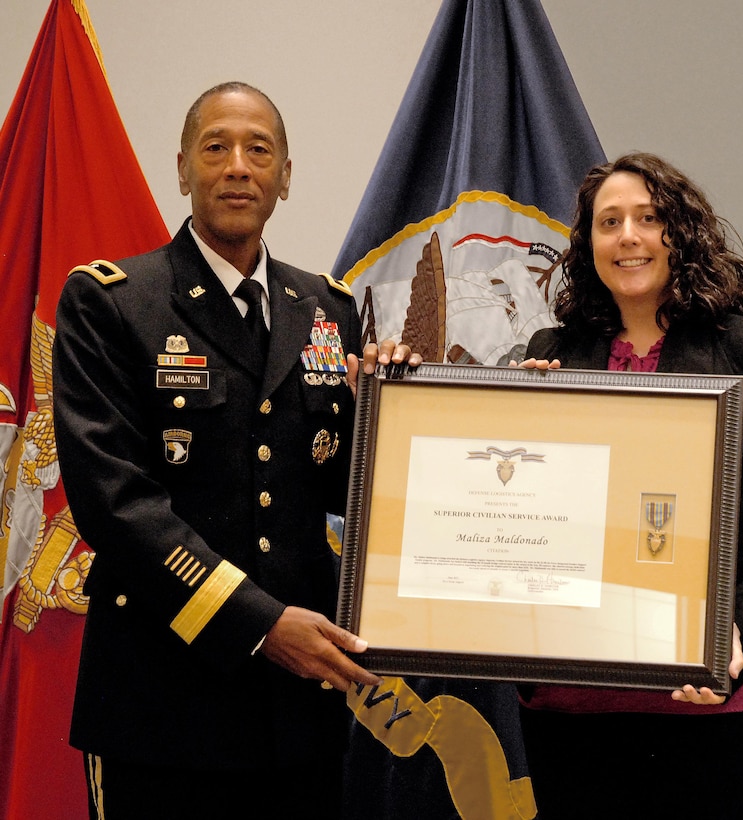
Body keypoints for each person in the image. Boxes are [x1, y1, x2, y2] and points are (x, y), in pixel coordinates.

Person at [52, 81, 419, 820]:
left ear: (286, 176)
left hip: (298, 715)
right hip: (163, 701)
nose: (238, 166)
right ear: (182, 168)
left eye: (259, 150)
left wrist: (400, 410)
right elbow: (114, 502)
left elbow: (349, 488)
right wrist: (257, 623)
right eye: (216, 147)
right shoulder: (114, 301)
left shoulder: (327, 308)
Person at [516, 153, 743, 819]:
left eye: (648, 218)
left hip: (716, 702)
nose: (627, 235)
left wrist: (733, 631)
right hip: (571, 709)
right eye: (609, 222)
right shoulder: (547, 354)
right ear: (589, 245)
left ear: (679, 235)